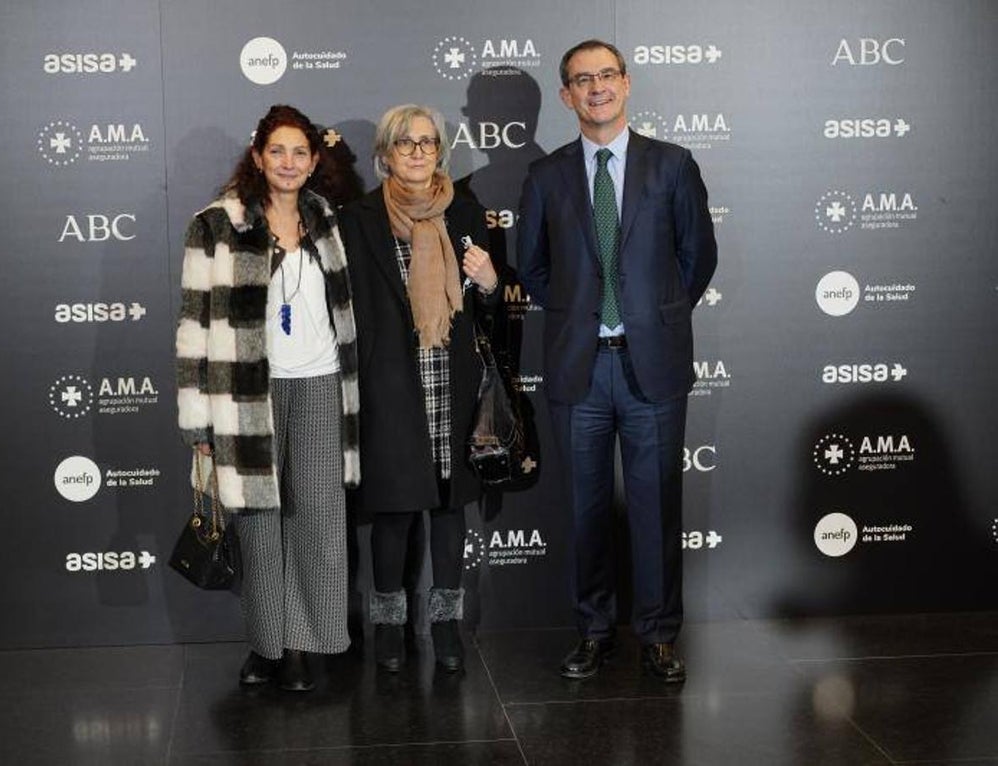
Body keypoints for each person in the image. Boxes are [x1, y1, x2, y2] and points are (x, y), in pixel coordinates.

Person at [517, 40, 717, 683]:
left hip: (651, 367)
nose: (597, 87)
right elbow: (534, 269)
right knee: (583, 510)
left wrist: (651, 315)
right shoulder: (545, 177)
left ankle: (658, 634)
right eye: (583, 79)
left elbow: (697, 258)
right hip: (578, 368)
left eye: (607, 75)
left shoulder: (673, 166)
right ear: (567, 95)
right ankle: (593, 631)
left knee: (658, 506)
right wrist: (583, 314)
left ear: (626, 84)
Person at [175, 104, 361, 692]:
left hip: (323, 383)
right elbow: (193, 328)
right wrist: (197, 420)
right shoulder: (216, 223)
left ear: (313, 161)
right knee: (258, 524)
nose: (288, 163)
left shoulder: (326, 217)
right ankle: (267, 645)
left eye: (299, 153)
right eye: (276, 151)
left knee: (319, 522)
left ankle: (309, 644)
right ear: (257, 157)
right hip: (246, 395)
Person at [340, 104, 500, 673]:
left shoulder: (464, 211)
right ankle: (388, 628)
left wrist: (488, 283)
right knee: (393, 510)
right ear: (384, 154)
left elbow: (488, 306)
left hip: (452, 379)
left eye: (427, 143)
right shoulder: (356, 219)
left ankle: (446, 625)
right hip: (390, 381)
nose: (416, 152)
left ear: (440, 152)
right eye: (404, 144)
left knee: (450, 509)